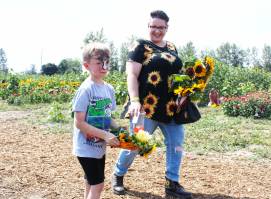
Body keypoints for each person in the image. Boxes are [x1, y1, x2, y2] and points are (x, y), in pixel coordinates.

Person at [112, 10, 193, 199]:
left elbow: (177, 76)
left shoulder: (172, 46)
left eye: (161, 27)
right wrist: (134, 101)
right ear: (148, 27)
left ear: (167, 28)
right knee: (135, 145)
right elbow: (131, 75)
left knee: (176, 145)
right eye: (153, 27)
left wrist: (184, 92)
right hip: (146, 108)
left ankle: (171, 184)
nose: (157, 31)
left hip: (172, 107)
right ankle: (118, 175)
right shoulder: (140, 46)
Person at [72, 42, 120, 199]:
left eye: (107, 62)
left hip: (99, 147)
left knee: (90, 182)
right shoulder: (86, 89)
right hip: (86, 147)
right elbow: (79, 123)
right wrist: (106, 135)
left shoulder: (109, 89)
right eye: (99, 62)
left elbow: (108, 117)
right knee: (98, 185)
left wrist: (120, 131)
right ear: (86, 65)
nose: (104, 65)